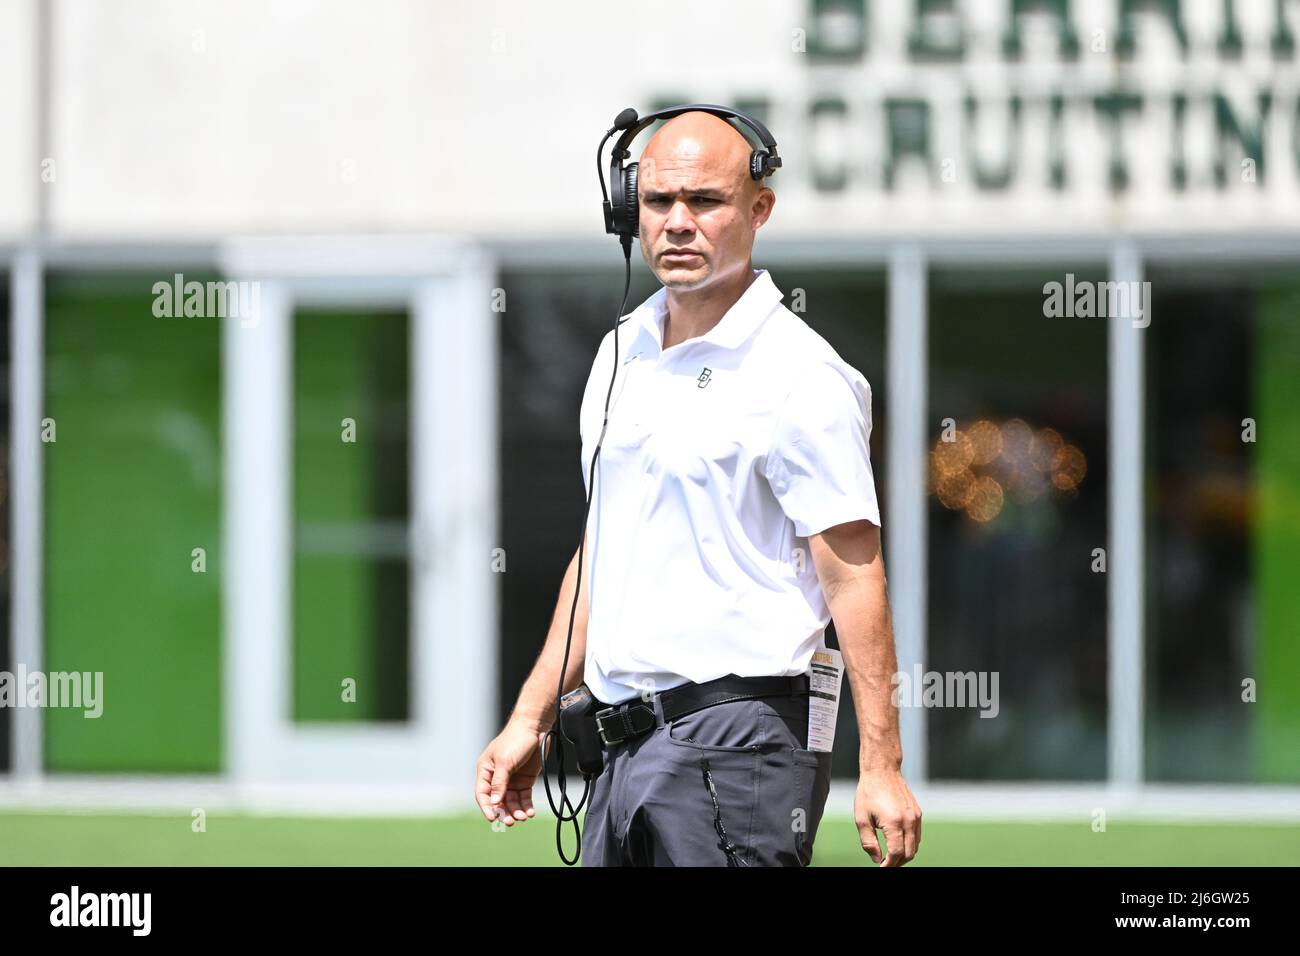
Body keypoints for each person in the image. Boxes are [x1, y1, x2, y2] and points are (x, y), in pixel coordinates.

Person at [475, 110, 921, 867]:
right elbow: (600, 553)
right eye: (657, 202)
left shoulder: (800, 375)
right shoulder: (623, 353)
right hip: (620, 746)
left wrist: (881, 765)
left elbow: (853, 574)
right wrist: (532, 716)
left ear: (759, 209)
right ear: (628, 212)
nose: (678, 222)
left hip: (740, 744)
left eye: (705, 201)